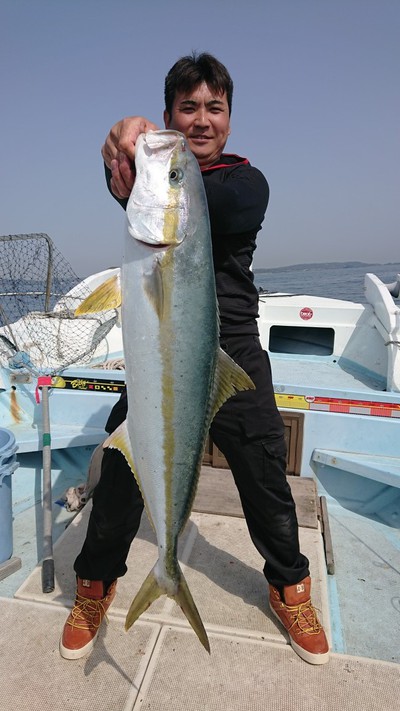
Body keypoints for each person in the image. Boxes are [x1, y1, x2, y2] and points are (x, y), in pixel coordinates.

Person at [60, 52, 329, 665]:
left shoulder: (244, 182)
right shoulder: (153, 181)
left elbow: (195, 200)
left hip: (231, 349)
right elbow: (132, 185)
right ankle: (96, 583)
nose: (202, 119)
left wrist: (153, 152)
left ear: (229, 118)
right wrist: (126, 145)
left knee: (265, 474)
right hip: (160, 356)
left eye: (215, 107)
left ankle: (289, 585)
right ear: (170, 115)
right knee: (123, 475)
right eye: (188, 108)